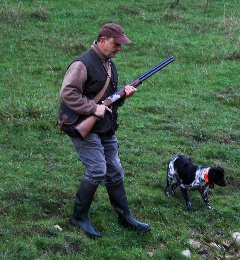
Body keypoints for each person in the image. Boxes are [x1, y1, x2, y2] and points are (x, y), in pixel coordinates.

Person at [59, 23, 151, 238]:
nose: (119, 48)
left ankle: (124, 216)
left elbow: (107, 101)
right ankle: (78, 218)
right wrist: (93, 108)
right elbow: (68, 93)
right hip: (83, 126)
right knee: (97, 170)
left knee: (115, 171)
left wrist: (122, 97)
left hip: (104, 126)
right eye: (116, 43)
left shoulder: (109, 64)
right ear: (102, 40)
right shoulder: (82, 64)